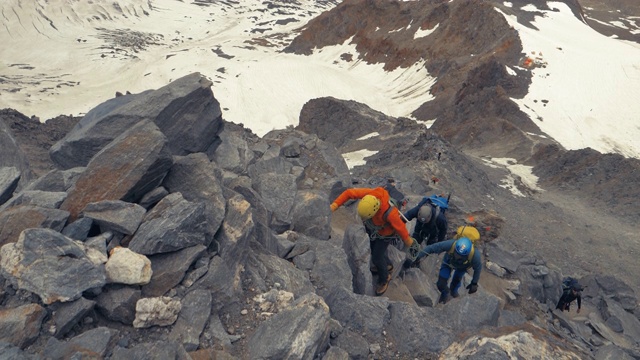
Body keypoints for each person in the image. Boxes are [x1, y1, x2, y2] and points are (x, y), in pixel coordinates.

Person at [331, 187, 419, 296]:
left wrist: (410, 243)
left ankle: (384, 277)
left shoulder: (391, 214)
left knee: (377, 257)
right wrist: (335, 205)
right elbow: (349, 193)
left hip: (385, 235)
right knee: (374, 250)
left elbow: (401, 229)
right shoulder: (371, 195)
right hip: (374, 228)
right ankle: (387, 265)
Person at [406, 237, 482, 304]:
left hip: (462, 267)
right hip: (448, 262)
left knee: (456, 282)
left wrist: (474, 283)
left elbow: (478, 269)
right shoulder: (450, 244)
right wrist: (417, 257)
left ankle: (453, 293)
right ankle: (444, 296)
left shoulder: (475, 256)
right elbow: (431, 248)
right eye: (457, 253)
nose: (458, 256)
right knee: (441, 283)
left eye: (461, 256)